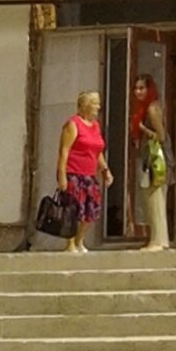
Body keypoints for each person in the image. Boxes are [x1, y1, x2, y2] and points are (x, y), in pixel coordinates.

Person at [55, 89, 111, 254]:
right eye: (95, 103)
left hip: (89, 174)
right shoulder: (73, 124)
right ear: (86, 105)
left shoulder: (95, 126)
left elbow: (97, 151)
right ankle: (70, 243)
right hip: (73, 172)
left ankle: (80, 241)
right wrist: (62, 175)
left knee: (90, 209)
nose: (98, 107)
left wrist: (105, 169)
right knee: (72, 209)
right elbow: (64, 151)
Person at [130, 72, 170, 251]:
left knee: (155, 199)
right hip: (147, 159)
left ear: (149, 89)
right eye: (136, 88)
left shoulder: (152, 108)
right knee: (149, 200)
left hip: (156, 160)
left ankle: (159, 240)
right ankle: (156, 238)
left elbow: (161, 136)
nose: (138, 92)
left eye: (141, 88)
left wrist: (143, 128)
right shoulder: (141, 108)